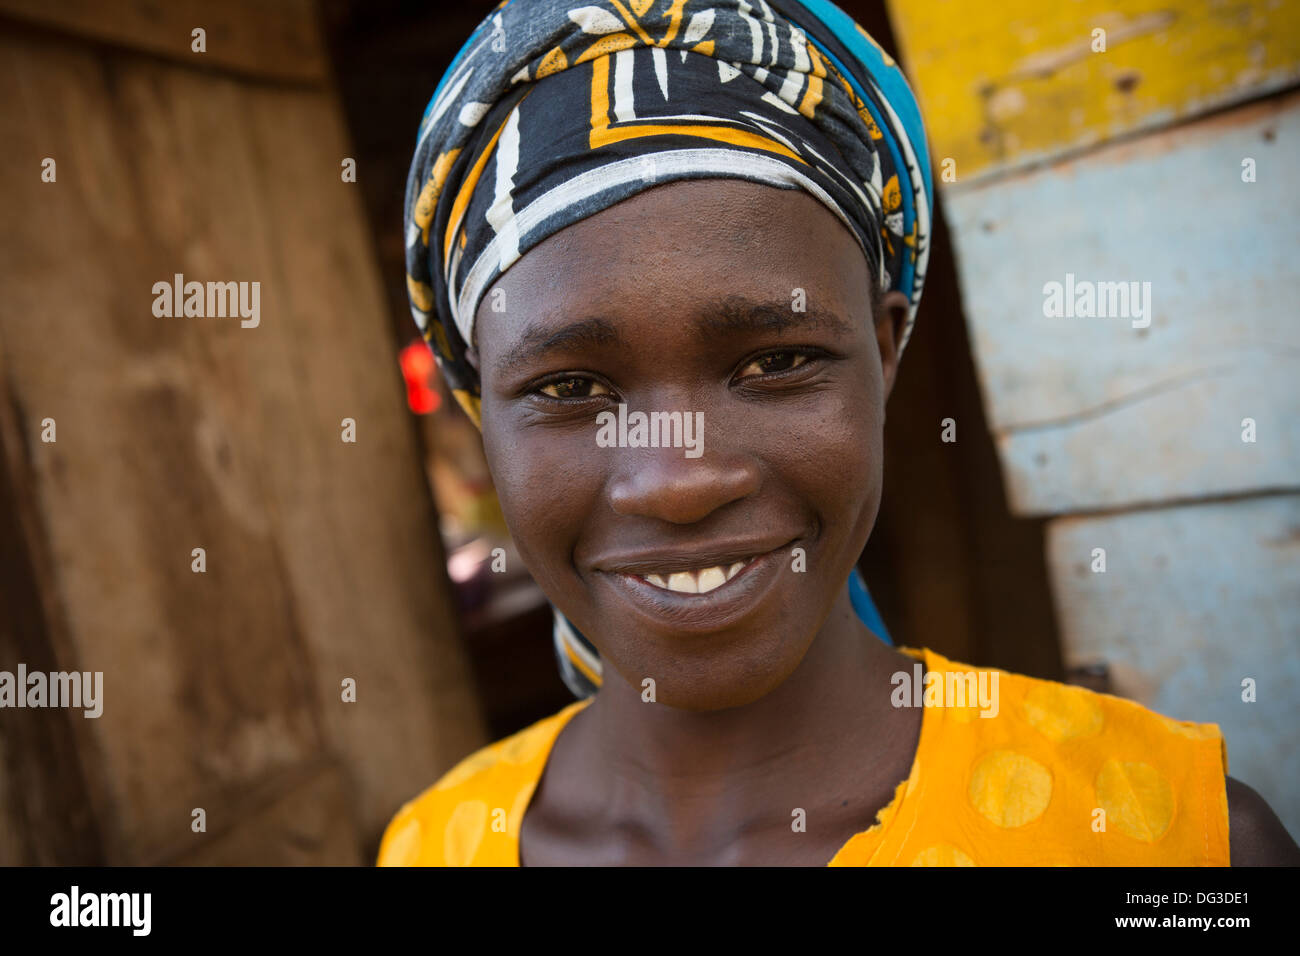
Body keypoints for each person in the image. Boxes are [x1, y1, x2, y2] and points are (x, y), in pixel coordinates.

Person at [378, 0, 1297, 866]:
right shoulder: (431, 847)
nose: (678, 480)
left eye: (776, 363)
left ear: (885, 352)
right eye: (569, 386)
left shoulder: (1173, 841)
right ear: (479, 412)